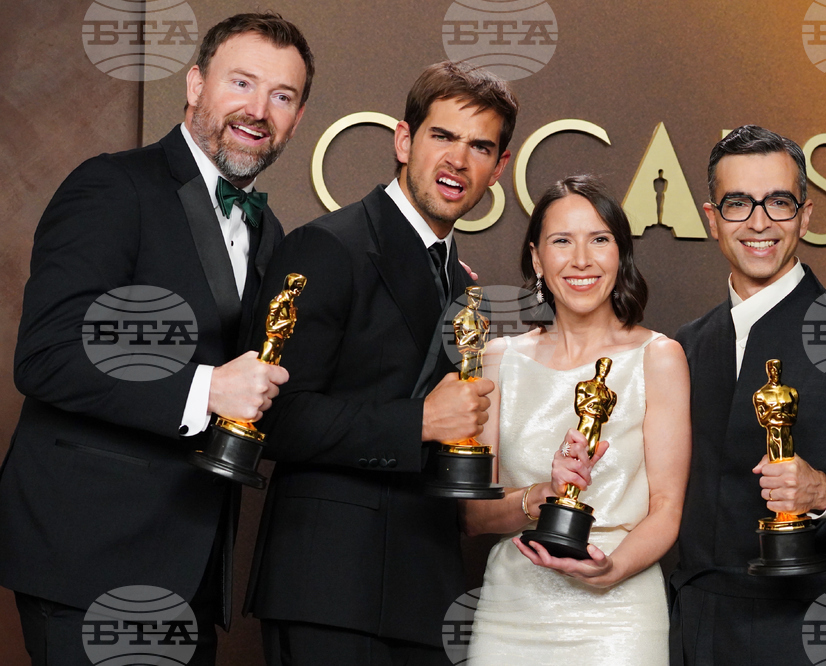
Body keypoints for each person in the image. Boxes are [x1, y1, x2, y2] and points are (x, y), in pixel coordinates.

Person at [0, 12, 313, 665]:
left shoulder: (271, 233)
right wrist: (207, 388)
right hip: (88, 561)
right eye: (242, 83)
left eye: (281, 96)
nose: (258, 110)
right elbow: (47, 354)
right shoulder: (112, 186)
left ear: (298, 118)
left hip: (188, 571)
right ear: (196, 84)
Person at [242, 61, 519, 666]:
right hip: (329, 588)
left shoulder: (459, 282)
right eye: (442, 136)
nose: (457, 161)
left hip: (423, 593)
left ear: (498, 169)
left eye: (479, 147)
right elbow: (272, 417)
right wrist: (418, 421)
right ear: (403, 139)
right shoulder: (327, 247)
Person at [669, 125, 826, 664]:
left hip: (814, 632)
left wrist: (825, 493)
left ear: (806, 216)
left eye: (779, 202)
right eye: (737, 203)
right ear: (711, 218)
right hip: (695, 631)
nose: (759, 222)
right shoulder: (682, 348)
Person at [463, 175, 691, 665]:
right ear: (537, 258)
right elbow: (475, 515)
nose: (581, 259)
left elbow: (667, 507)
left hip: (620, 614)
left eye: (599, 240)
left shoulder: (660, 356)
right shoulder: (499, 359)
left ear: (620, 255)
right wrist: (542, 494)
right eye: (561, 241)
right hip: (512, 612)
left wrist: (613, 569)